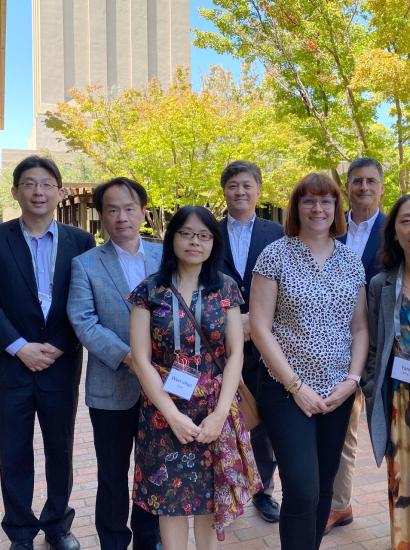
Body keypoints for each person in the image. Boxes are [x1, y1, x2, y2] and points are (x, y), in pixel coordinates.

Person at [129, 205, 261, 550]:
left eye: (203, 236)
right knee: (170, 505)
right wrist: (171, 416)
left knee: (210, 501)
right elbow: (141, 359)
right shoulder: (149, 290)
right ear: (171, 237)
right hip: (162, 411)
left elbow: (235, 355)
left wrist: (219, 415)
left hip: (213, 411)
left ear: (213, 243)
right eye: (186, 233)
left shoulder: (226, 288)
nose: (194, 242)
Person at [250, 173, 368, 550]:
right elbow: (260, 327)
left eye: (327, 201)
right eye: (309, 201)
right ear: (296, 207)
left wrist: (352, 380)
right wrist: (295, 386)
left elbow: (361, 328)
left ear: (337, 208)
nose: (318, 208)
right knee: (302, 488)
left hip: (337, 393)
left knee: (321, 488)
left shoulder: (351, 261)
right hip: (286, 392)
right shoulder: (275, 254)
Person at [0, 156, 95, 550]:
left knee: (60, 449)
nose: (38, 191)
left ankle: (57, 525)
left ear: (59, 191)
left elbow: (86, 300)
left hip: (60, 363)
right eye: (29, 183)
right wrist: (19, 347)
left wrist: (60, 345)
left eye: (45, 184)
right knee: (13, 452)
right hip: (10, 365)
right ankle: (20, 531)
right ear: (15, 191)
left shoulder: (81, 242)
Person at [67, 178, 162, 550]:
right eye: (112, 209)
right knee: (112, 473)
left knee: (153, 469)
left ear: (142, 210)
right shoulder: (85, 264)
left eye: (128, 208)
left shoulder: (164, 256)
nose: (121, 217)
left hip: (165, 387)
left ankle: (148, 539)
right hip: (111, 386)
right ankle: (113, 541)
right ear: (101, 215)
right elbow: (83, 320)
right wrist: (131, 359)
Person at [219, 160, 283, 522]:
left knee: (264, 419)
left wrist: (254, 322)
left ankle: (263, 489)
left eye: (247, 186)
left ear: (258, 190)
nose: (240, 192)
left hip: (266, 341)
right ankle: (223, 486)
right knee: (223, 414)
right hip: (219, 343)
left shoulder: (277, 233)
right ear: (224, 191)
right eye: (233, 186)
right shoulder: (209, 232)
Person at [326, 157, 385, 534]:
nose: (363, 188)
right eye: (356, 182)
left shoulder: (395, 229)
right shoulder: (331, 229)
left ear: (382, 186)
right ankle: (338, 505)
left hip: (387, 352)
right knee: (341, 431)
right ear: (346, 187)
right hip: (338, 347)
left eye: (370, 181)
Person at [364, 194, 410, 550]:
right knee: (402, 481)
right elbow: (376, 347)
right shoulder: (381, 284)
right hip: (399, 397)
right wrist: (369, 388)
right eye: (406, 220)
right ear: (394, 231)